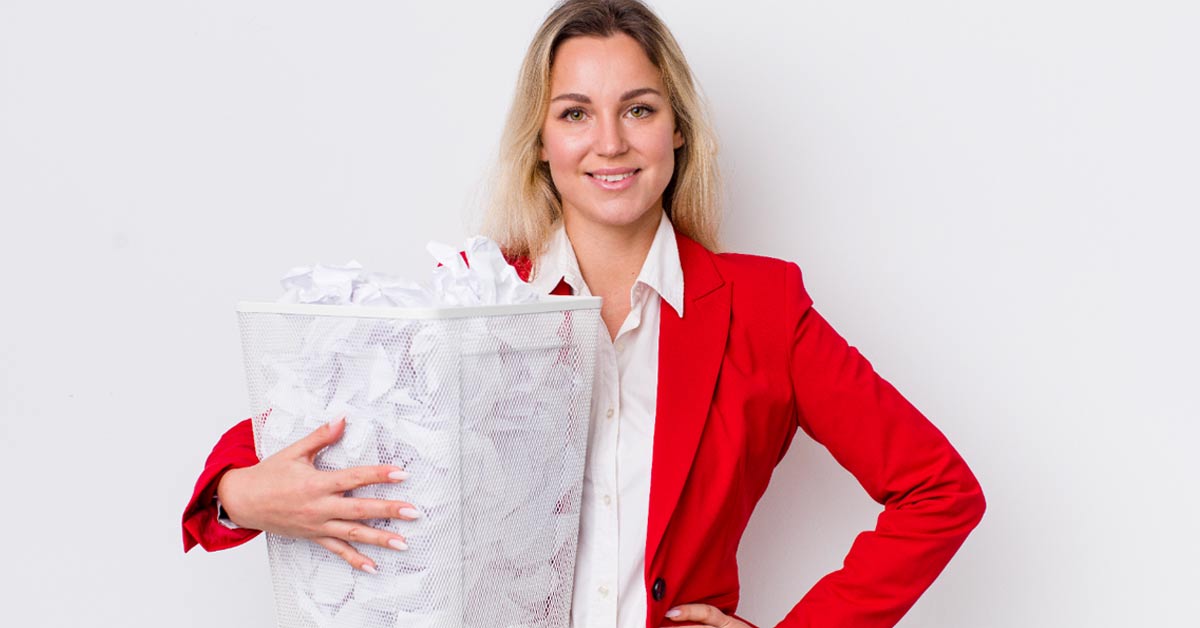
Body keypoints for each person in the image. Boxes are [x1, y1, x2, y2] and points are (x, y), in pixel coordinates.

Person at [182, 1, 986, 627]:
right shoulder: (477, 301)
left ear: (678, 131)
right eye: (575, 113)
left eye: (638, 109)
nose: (610, 142)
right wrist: (241, 498)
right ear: (540, 140)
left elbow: (940, 491)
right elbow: (260, 454)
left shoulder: (763, 309)